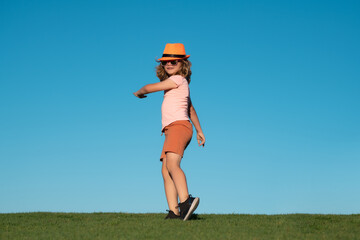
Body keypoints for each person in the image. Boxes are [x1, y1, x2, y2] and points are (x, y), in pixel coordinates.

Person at [133, 43, 205, 221]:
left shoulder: (179, 80)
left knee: (173, 165)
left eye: (174, 61)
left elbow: (150, 88)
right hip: (173, 129)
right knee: (166, 171)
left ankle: (187, 201)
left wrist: (139, 92)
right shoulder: (176, 87)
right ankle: (174, 212)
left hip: (179, 127)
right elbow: (191, 109)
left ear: (183, 64)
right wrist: (199, 131)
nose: (169, 65)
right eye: (166, 62)